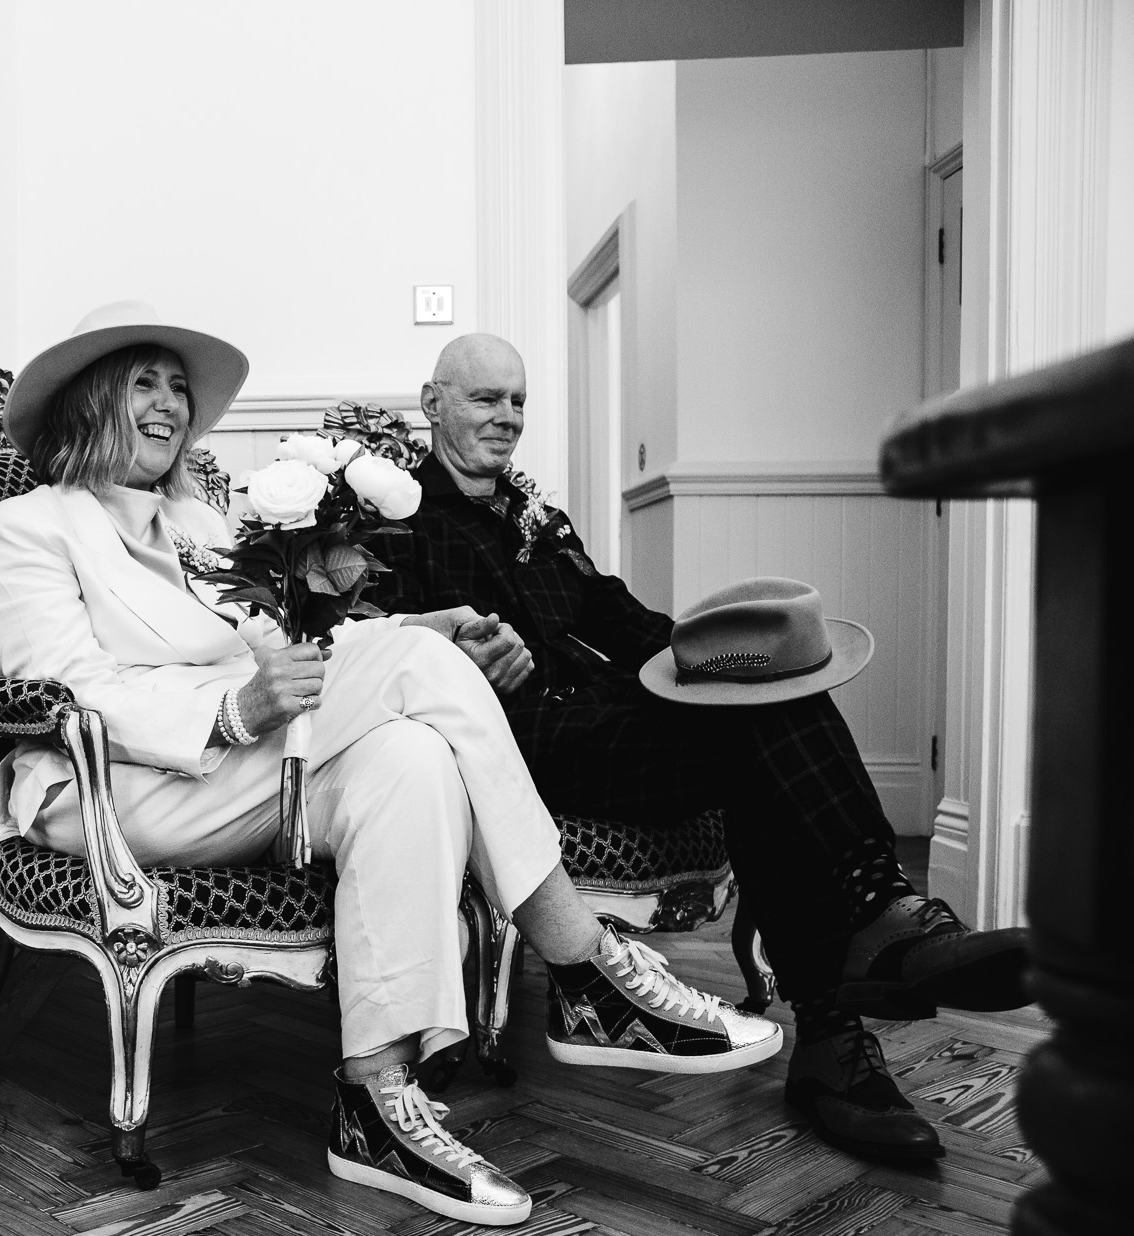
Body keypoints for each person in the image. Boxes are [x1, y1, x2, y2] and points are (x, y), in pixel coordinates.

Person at [0, 301, 779, 1228]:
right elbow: (66, 686)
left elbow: (284, 642)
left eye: (177, 387)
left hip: (251, 767)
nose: (169, 405)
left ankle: (375, 1100)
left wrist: (410, 632)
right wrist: (235, 706)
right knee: (421, 683)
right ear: (88, 401)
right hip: (122, 790)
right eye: (143, 383)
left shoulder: (200, 516)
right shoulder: (26, 527)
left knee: (413, 756)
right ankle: (583, 964)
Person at [372, 331, 1033, 1163]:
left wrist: (727, 656)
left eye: (519, 402)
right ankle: (856, 984)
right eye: (486, 399)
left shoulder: (544, 520)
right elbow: (378, 652)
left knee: (771, 696)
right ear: (433, 404)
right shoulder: (396, 525)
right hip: (516, 744)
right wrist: (454, 657)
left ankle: (862, 967)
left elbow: (630, 621)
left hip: (610, 720)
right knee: (756, 733)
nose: (508, 418)